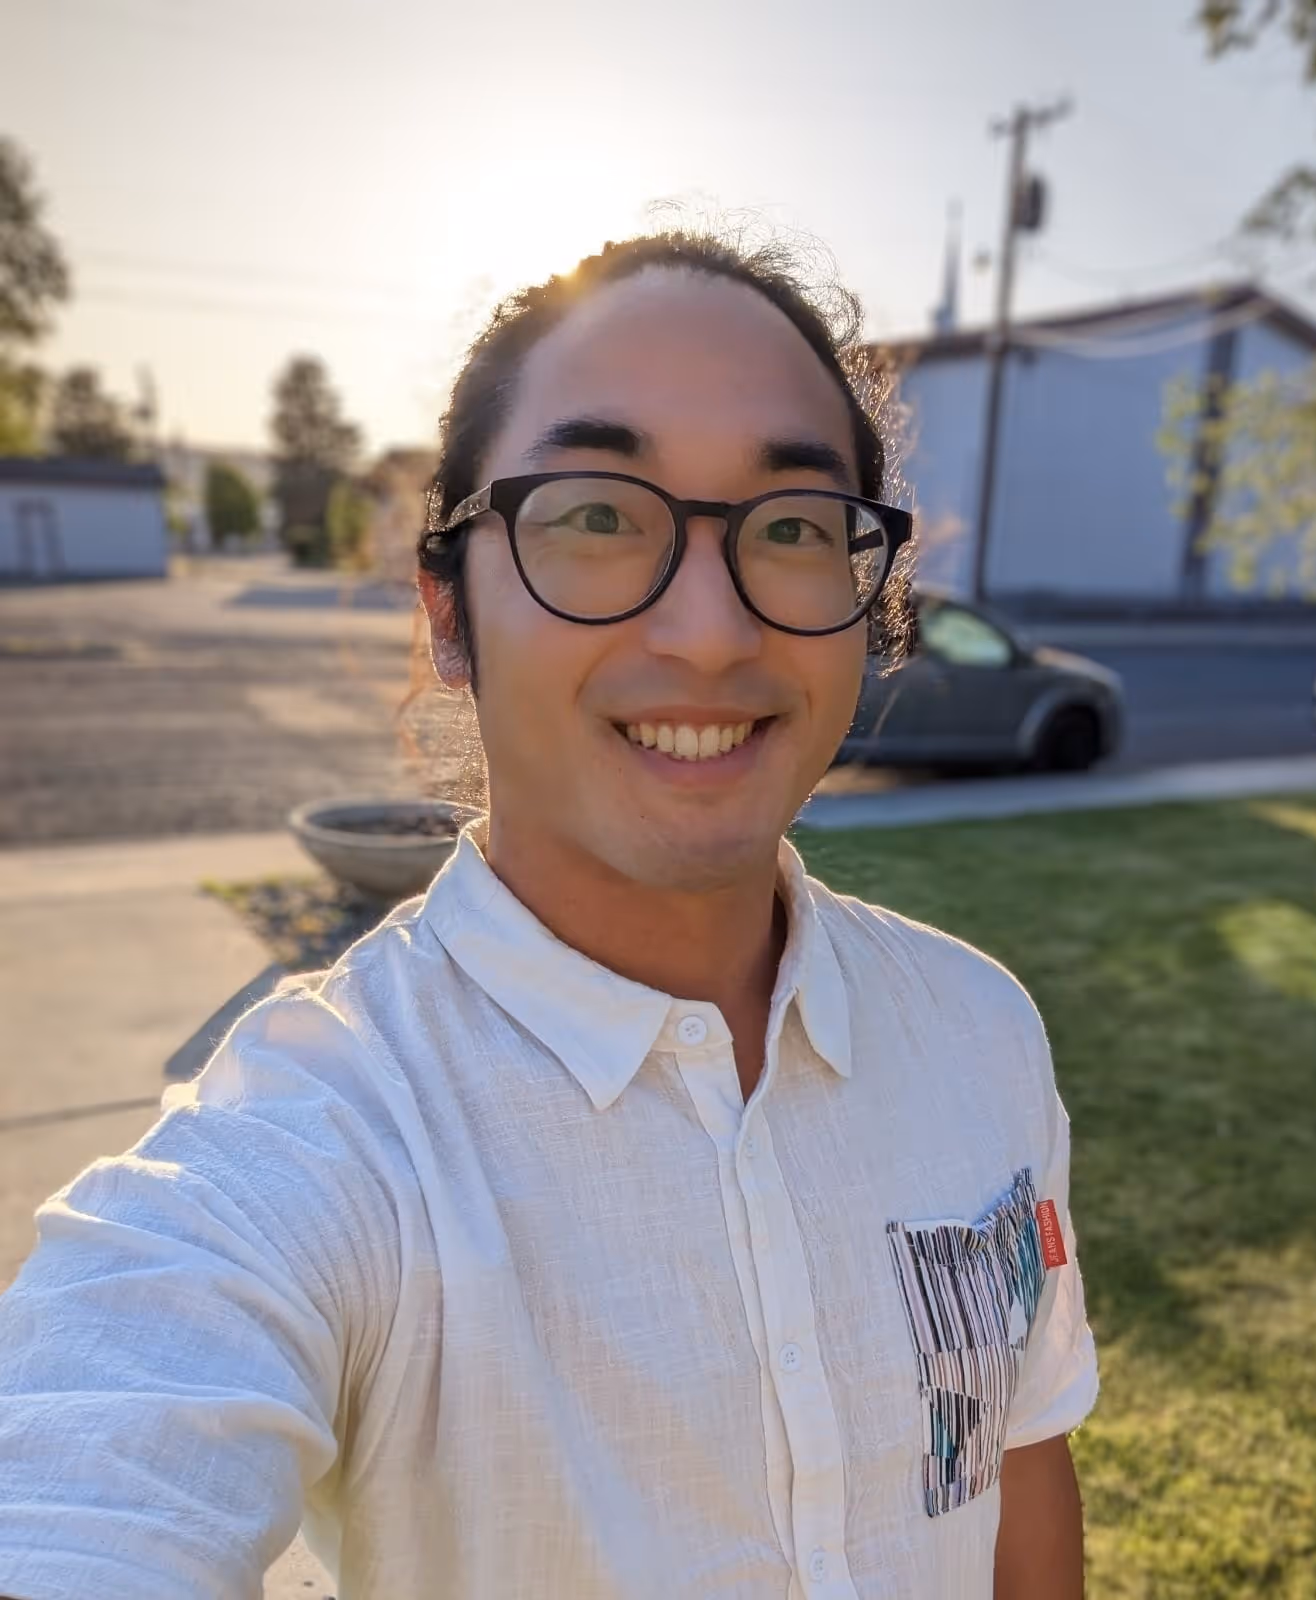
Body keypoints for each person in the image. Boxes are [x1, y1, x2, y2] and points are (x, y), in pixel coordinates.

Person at [0, 231, 1097, 1599]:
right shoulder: (330, 1141)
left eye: (797, 528)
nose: (710, 631)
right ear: (448, 614)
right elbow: (83, 1465)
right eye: (594, 513)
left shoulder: (981, 1031)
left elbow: (1018, 1463)